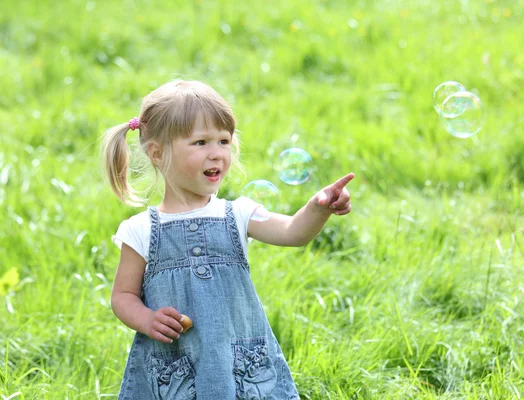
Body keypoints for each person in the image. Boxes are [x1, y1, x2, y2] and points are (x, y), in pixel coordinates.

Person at [102, 79, 354, 399]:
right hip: (175, 366)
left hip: (239, 361)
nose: (216, 153)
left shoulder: (237, 214)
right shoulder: (141, 230)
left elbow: (293, 232)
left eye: (223, 141)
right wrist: (147, 319)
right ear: (157, 153)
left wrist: (319, 209)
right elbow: (122, 296)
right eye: (200, 142)